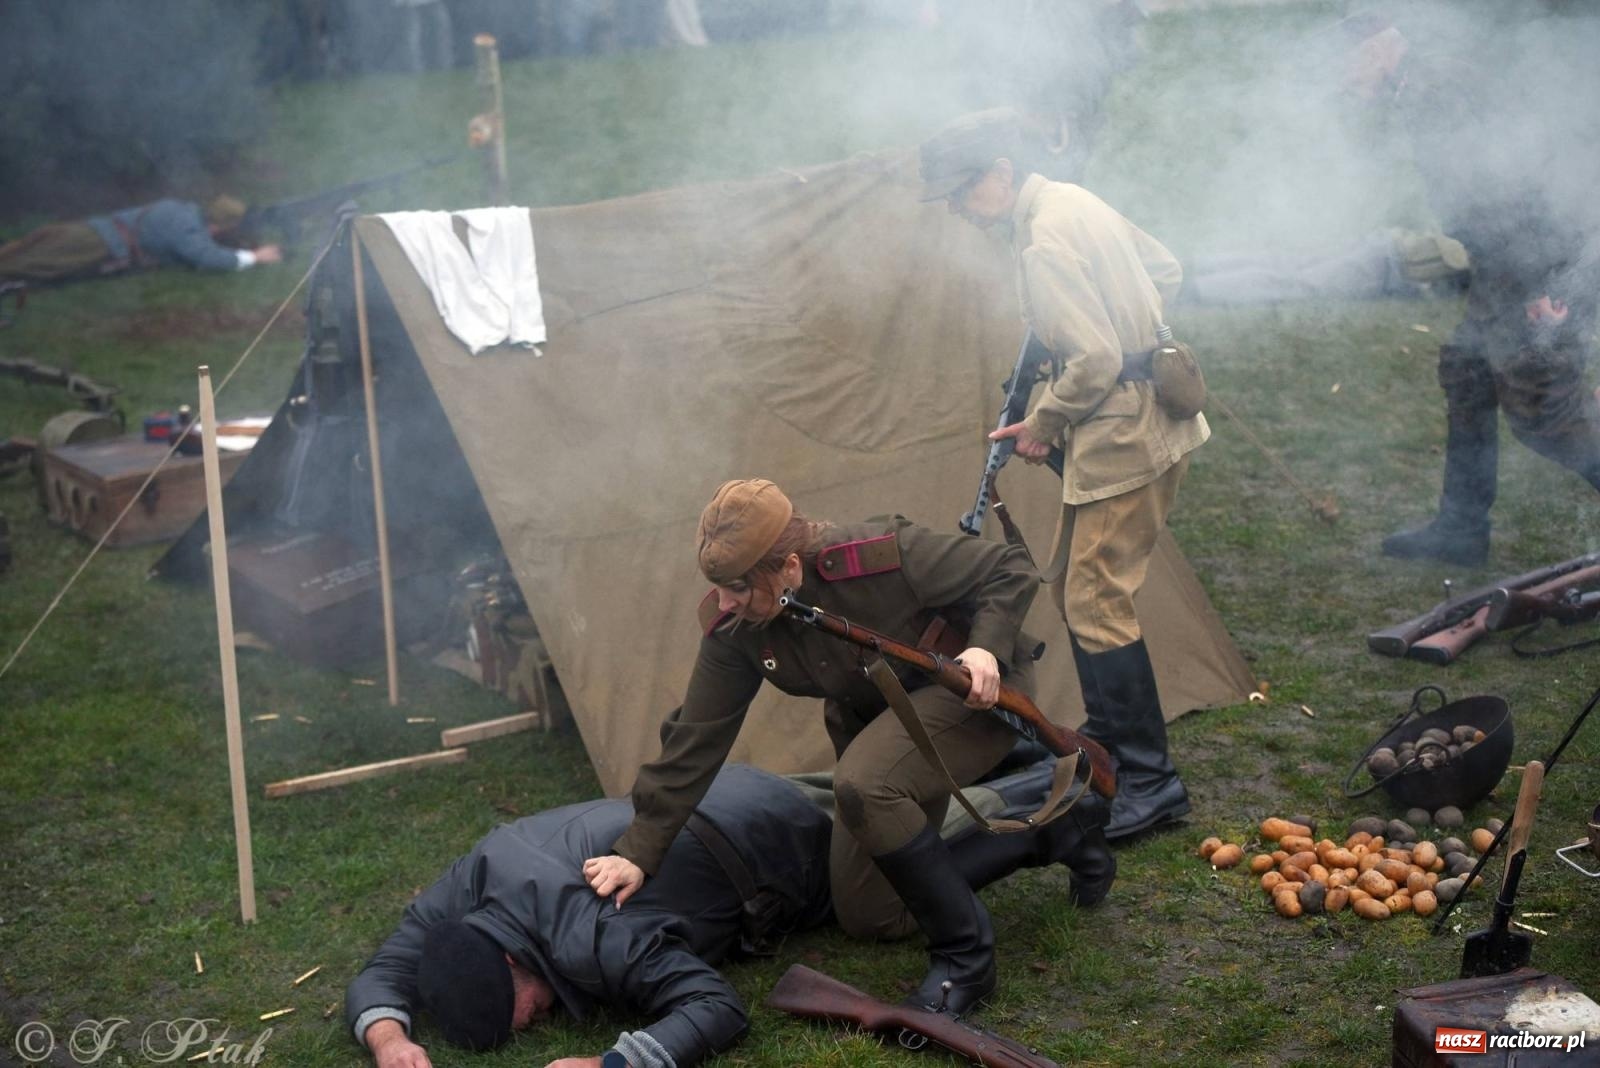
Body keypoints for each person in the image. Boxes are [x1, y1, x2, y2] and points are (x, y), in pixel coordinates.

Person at [581, 479, 1114, 1019]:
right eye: (719, 588)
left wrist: (985, 649)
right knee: (871, 913)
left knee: (865, 782)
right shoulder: (737, 626)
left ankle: (966, 958)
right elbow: (697, 735)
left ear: (790, 567)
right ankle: (1059, 831)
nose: (725, 602)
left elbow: (1009, 567)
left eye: (739, 587)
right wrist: (638, 851)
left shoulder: (876, 556)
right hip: (884, 725)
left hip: (971, 696)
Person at [347, 758, 1087, 1067]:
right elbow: (394, 958)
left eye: (526, 1012)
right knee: (896, 781)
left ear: (513, 961)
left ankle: (1059, 813)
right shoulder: (475, 878)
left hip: (786, 843)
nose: (535, 1023)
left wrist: (615, 1063)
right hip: (730, 793)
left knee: (900, 878)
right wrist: (389, 1037)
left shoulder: (599, 937)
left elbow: (716, 1006)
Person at [917, 108, 1209, 841]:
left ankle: (1151, 780)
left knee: (1096, 600)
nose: (957, 207)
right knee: (1080, 591)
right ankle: (1110, 740)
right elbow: (1165, 269)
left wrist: (1043, 420)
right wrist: (1136, 334)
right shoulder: (1072, 200)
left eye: (962, 190)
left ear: (1001, 173)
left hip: (1123, 437)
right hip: (1137, 421)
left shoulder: (1044, 241)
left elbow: (1097, 361)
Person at [1343, 17, 1600, 566]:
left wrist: (1541, 285)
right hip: (1510, 261)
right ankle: (1460, 528)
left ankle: (1461, 526)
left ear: (1379, 46)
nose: (1346, 74)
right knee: (1468, 372)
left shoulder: (1438, 92)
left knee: (1548, 414)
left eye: (1351, 57)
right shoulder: (1425, 85)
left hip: (1538, 261)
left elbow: (1514, 188)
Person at [0, 196, 282, 286]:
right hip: (93, 244)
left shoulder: (181, 210)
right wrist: (255, 257)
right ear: (220, 225)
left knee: (22, 251)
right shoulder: (186, 229)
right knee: (29, 265)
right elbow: (206, 257)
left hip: (89, 232)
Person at [1178, 228, 1470, 306]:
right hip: (1384, 265)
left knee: (1289, 264)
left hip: (1385, 246)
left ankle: (1198, 268)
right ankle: (1198, 287)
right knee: (1295, 282)